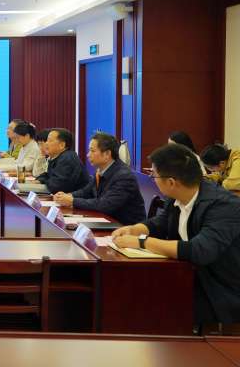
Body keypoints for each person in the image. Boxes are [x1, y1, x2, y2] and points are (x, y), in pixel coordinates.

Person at [112, 143, 240, 328]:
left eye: (154, 175)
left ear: (171, 182)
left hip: (219, 288)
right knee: (132, 290)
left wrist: (141, 242)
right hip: (188, 274)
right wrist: (135, 229)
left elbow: (200, 251)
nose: (153, 179)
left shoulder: (223, 205)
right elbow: (162, 222)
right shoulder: (177, 195)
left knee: (149, 306)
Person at [53, 132, 146, 225]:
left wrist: (72, 201)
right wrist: (68, 196)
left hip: (124, 227)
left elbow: (105, 205)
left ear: (107, 154)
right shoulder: (101, 170)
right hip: (106, 220)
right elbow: (86, 191)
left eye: (92, 151)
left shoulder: (124, 176)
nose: (88, 155)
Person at [36, 128, 89, 193]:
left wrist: (44, 181)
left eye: (50, 141)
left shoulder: (67, 159)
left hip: (78, 198)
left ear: (62, 145)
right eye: (47, 140)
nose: (46, 143)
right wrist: (40, 180)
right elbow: (48, 175)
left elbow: (56, 186)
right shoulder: (56, 157)